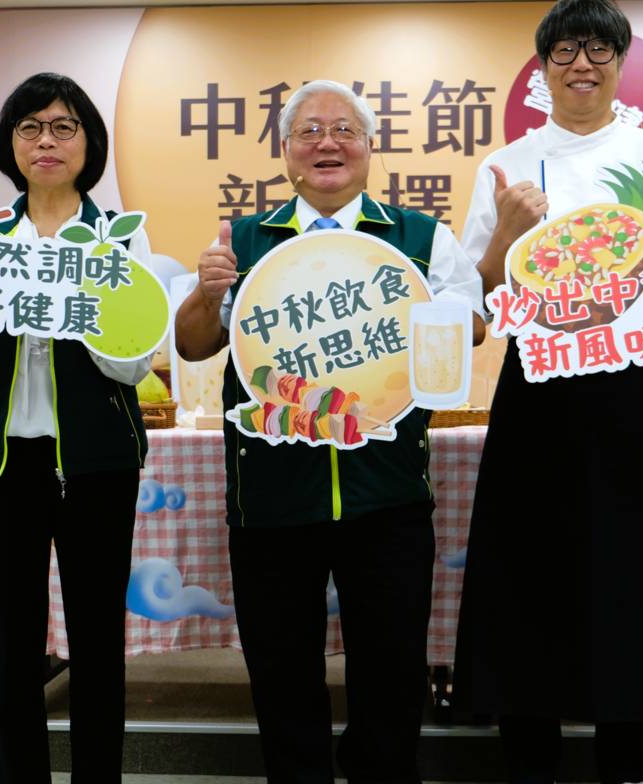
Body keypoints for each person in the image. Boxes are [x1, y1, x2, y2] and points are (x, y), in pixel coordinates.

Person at [173, 79, 485, 783]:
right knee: (282, 672)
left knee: (391, 670)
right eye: (309, 131)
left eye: (344, 129)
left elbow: (473, 322)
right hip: (273, 496)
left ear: (370, 147)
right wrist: (207, 291)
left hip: (388, 495)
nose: (327, 143)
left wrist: (425, 310)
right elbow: (193, 346)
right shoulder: (245, 242)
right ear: (286, 152)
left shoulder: (419, 236)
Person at [452, 0, 643, 784]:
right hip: (534, 387)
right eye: (565, 51)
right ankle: (527, 748)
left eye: (599, 49)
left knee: (628, 568)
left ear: (621, 64)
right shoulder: (506, 165)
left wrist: (625, 291)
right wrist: (503, 237)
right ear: (542, 68)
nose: (582, 64)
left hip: (626, 384)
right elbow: (476, 303)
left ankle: (628, 753)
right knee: (524, 568)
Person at [0, 72, 152, 783]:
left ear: (88, 143)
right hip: (2, 462)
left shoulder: (120, 238)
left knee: (99, 642)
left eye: (63, 126)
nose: (47, 140)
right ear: (10, 145)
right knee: (14, 645)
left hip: (98, 462)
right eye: (30, 127)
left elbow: (133, 370)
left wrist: (82, 302)